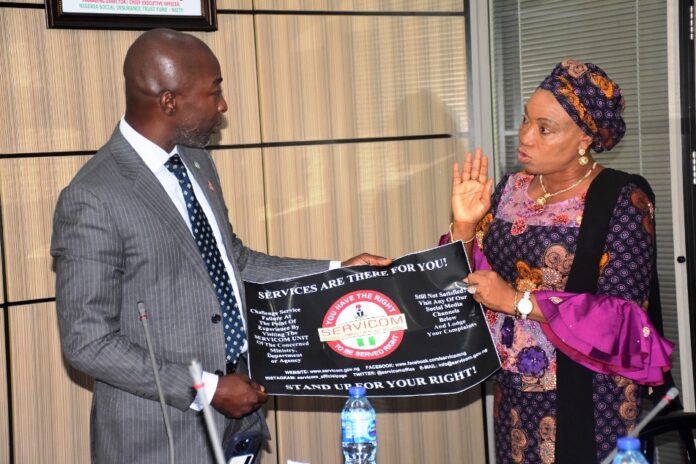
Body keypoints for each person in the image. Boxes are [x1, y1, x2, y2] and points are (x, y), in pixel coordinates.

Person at [51, 28, 390, 464]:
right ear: (169, 101)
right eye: (214, 92)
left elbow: (234, 261)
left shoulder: (194, 158)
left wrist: (333, 273)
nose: (223, 105)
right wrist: (206, 389)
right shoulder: (93, 196)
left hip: (236, 423)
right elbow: (86, 342)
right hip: (157, 438)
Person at [440, 60, 675, 463]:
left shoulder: (621, 199)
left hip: (589, 394)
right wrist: (463, 227)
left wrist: (517, 301)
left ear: (585, 138)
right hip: (514, 388)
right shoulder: (509, 190)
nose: (525, 136)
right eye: (525, 120)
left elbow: (625, 318)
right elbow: (460, 282)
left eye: (544, 128)